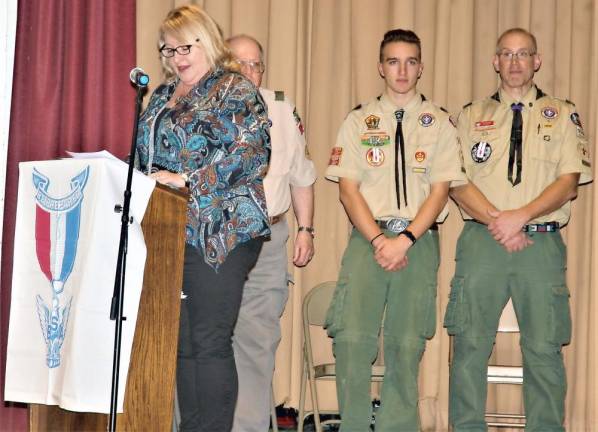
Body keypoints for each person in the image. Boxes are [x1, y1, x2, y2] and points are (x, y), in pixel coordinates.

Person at [446, 27, 592, 431]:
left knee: (543, 348)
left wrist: (521, 215)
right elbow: (454, 181)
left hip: (540, 245)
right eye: (506, 54)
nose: (514, 62)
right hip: (482, 241)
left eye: (523, 54)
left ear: (536, 61)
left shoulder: (562, 113)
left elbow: (569, 182)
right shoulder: (470, 115)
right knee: (470, 346)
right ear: (495, 62)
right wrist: (499, 219)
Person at [135, 5, 271, 431]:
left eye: (185, 47)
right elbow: (146, 157)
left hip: (222, 230)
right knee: (183, 345)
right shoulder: (160, 95)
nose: (177, 57)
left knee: (209, 344)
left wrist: (189, 179)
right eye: (168, 50)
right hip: (169, 230)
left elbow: (253, 154)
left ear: (207, 40)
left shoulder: (234, 89)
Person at [324, 29, 466, 431]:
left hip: (418, 242)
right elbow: (348, 191)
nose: (401, 70)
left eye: (410, 61)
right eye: (393, 61)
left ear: (421, 67)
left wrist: (404, 241)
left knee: (406, 345)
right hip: (367, 239)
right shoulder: (357, 120)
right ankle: (353, 425)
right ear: (380, 67)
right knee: (352, 339)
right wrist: (378, 240)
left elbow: (440, 192)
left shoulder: (438, 123)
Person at [226, 34, 316, 432]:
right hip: (218, 242)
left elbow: (301, 176)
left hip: (268, 239)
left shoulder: (281, 111)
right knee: (205, 343)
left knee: (258, 344)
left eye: (256, 64)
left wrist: (306, 229)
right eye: (240, 62)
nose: (249, 71)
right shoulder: (203, 109)